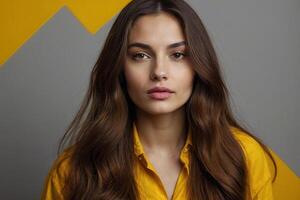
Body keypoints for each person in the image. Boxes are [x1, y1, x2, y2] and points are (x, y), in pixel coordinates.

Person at [41, 0, 277, 199]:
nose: (159, 72)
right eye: (140, 55)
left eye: (177, 55)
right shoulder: (73, 171)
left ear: (198, 66)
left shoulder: (244, 157)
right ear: (120, 68)